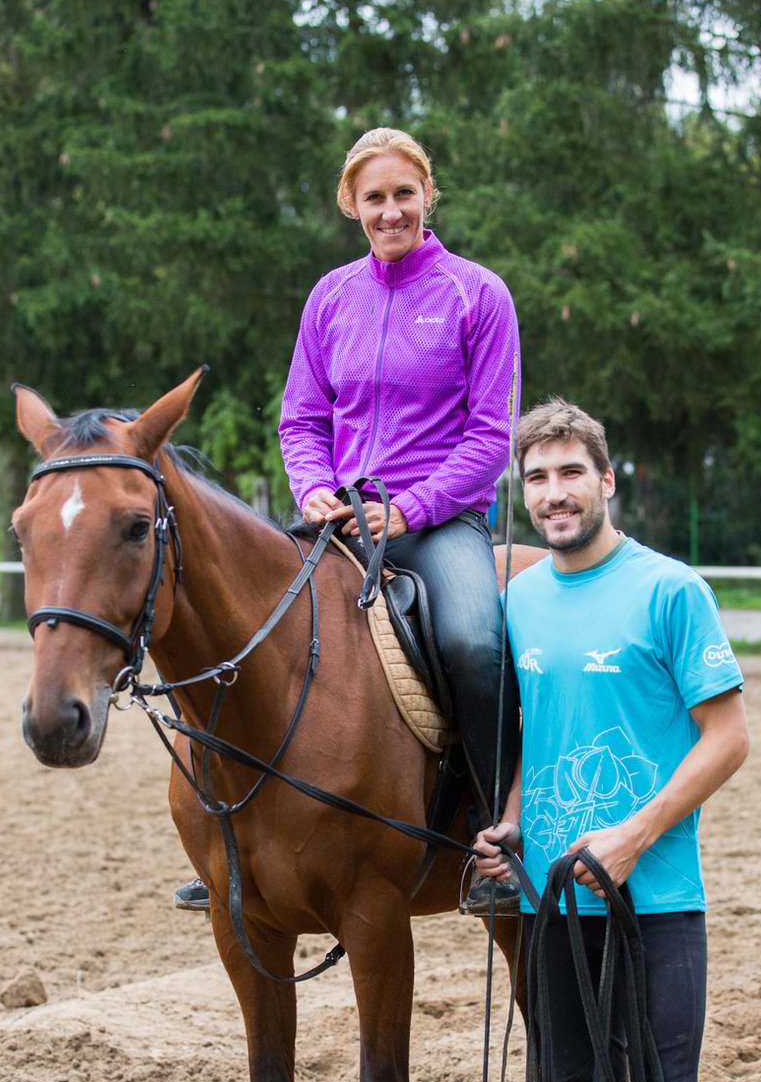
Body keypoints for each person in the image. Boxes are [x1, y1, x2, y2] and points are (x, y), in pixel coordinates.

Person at [474, 399, 749, 1082]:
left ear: (606, 480)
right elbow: (535, 738)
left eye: (569, 475)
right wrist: (508, 827)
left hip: (658, 902)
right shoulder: (522, 603)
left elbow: (727, 738)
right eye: (537, 479)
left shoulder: (671, 592)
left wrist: (633, 837)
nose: (553, 494)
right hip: (552, 906)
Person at [176, 126, 521, 915]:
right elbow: (300, 419)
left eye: (405, 193)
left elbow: (490, 436)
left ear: (429, 195)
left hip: (437, 521)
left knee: (474, 641)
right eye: (375, 197)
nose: (391, 210)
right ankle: (230, 839)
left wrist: (412, 508)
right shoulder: (331, 297)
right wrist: (311, 490)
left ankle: (499, 842)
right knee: (236, 631)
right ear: (351, 205)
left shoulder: (478, 293)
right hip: (334, 519)